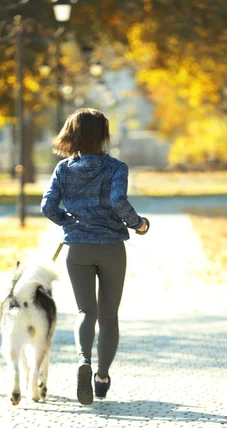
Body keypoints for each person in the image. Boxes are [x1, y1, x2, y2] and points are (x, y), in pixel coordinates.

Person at [41, 108, 148, 406]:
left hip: (78, 249)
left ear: (73, 134)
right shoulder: (116, 167)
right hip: (112, 247)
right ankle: (102, 377)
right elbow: (118, 201)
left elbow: (47, 207)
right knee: (109, 315)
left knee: (85, 312)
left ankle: (82, 362)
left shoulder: (63, 169)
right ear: (103, 135)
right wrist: (138, 224)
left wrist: (70, 223)